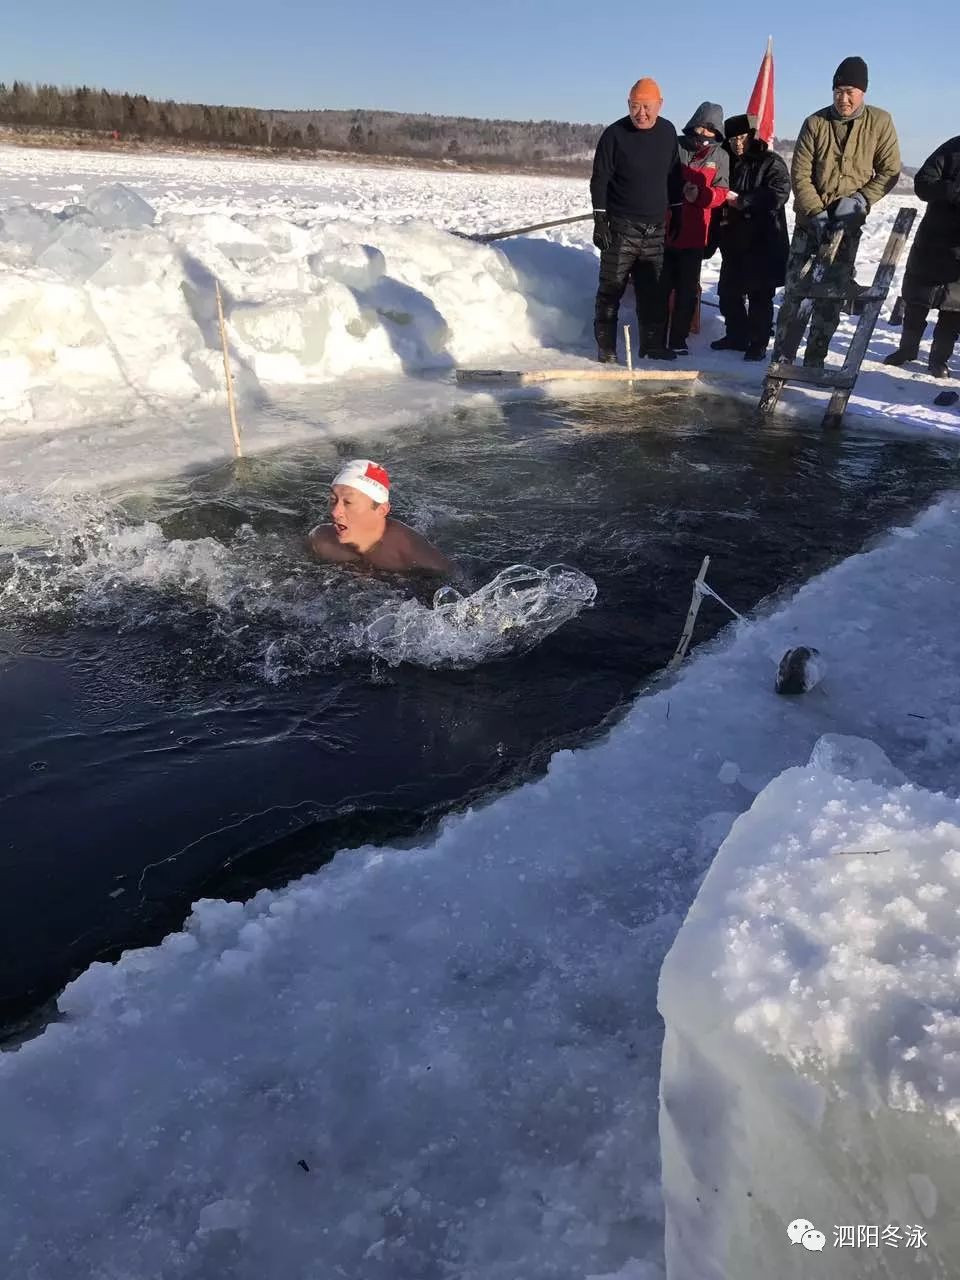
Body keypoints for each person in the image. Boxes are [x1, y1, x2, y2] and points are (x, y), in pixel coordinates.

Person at [782, 56, 900, 367]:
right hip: (810, 225)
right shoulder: (816, 123)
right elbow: (801, 174)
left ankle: (815, 358)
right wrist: (816, 211)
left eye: (850, 91)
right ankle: (783, 356)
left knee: (832, 295)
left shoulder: (880, 122)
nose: (843, 98)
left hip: (847, 228)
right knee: (796, 290)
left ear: (863, 92)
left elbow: (889, 170)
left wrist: (861, 199)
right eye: (837, 91)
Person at [590, 77, 681, 363]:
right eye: (635, 106)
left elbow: (674, 175)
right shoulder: (614, 134)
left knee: (653, 291)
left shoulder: (667, 132)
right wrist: (600, 217)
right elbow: (600, 179)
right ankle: (606, 349)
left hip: (655, 227)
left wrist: (677, 209)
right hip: (621, 227)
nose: (641, 113)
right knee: (611, 289)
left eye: (647, 106)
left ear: (660, 105)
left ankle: (652, 346)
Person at [710, 113, 790, 361]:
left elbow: (779, 192)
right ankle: (736, 335)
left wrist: (744, 201)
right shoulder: (724, 161)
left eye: (742, 137)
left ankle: (758, 342)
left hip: (763, 239)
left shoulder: (770, 161)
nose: (738, 143)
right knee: (728, 292)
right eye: (733, 138)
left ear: (752, 135)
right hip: (732, 239)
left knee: (759, 295)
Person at [883, 134, 960, 378]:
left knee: (954, 308)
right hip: (934, 240)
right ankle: (907, 350)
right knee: (917, 299)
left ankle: (939, 360)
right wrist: (953, 190)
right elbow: (923, 183)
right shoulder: (952, 149)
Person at [308, 459, 454, 575]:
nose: (335, 512)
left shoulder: (411, 552)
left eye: (348, 502)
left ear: (381, 510)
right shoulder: (321, 540)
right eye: (333, 500)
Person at [663, 102, 730, 353]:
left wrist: (700, 195)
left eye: (710, 129)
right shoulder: (675, 146)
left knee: (687, 290)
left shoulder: (720, 156)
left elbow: (721, 192)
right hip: (667, 228)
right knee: (661, 286)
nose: (704, 133)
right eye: (701, 126)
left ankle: (679, 338)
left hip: (695, 232)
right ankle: (656, 336)